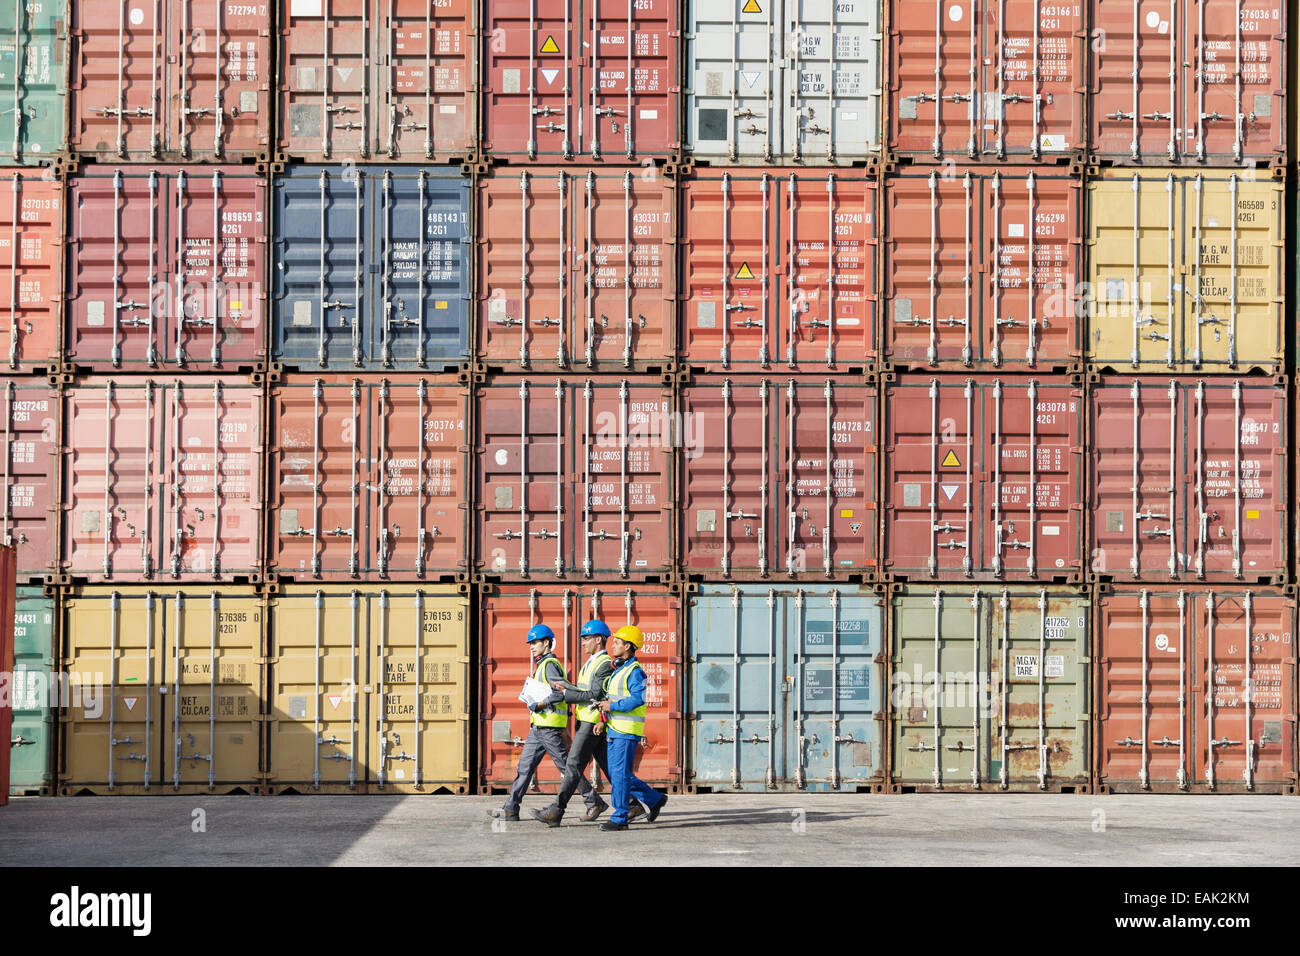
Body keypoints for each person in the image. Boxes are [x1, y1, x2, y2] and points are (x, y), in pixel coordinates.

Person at [488, 623, 597, 821]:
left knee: (566, 767)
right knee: (525, 767)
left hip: (549, 727)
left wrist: (540, 704)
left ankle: (593, 801)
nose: (531, 646)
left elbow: (560, 693)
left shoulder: (549, 665)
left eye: (535, 642)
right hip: (538, 728)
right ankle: (511, 808)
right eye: (530, 643)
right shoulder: (543, 665)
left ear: (546, 643)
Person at [597, 624, 668, 832]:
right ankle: (654, 799)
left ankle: (620, 818)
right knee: (619, 773)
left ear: (628, 646)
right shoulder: (620, 670)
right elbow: (612, 699)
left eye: (617, 642)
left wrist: (612, 706)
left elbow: (637, 699)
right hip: (614, 729)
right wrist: (604, 718)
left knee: (619, 774)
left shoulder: (635, 672)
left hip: (626, 731)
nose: (613, 646)